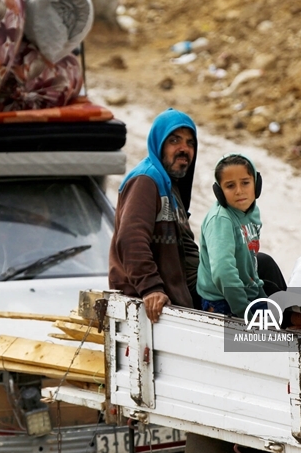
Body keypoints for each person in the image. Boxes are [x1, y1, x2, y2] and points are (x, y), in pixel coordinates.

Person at [109, 108, 199, 323]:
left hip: (178, 305)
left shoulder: (171, 188)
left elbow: (186, 250)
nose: (184, 149)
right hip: (150, 310)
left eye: (190, 143)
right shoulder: (146, 180)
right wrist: (151, 288)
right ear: (158, 144)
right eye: (175, 140)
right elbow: (131, 239)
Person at [197, 154, 285, 318]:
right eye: (230, 186)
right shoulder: (221, 220)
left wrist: (261, 298)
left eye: (245, 183)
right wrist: (245, 313)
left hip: (247, 293)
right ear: (219, 192)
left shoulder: (251, 212)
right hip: (224, 303)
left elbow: (250, 262)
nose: (239, 191)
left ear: (256, 184)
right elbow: (224, 272)